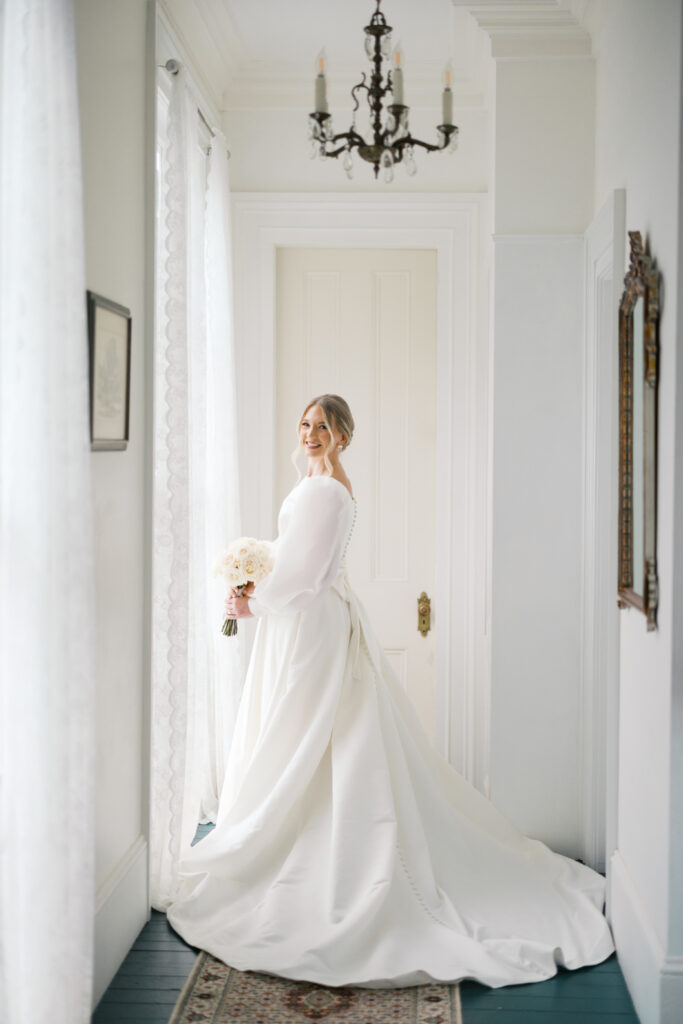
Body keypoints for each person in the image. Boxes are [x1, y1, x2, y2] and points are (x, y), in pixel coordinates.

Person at [167, 393, 614, 989]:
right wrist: (258, 571)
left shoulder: (326, 491)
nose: (310, 434)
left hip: (309, 626)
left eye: (321, 426)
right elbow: (299, 560)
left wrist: (253, 602)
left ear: (343, 435)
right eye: (305, 424)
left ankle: (314, 859)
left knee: (305, 733)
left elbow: (305, 576)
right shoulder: (323, 484)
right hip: (304, 620)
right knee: (308, 736)